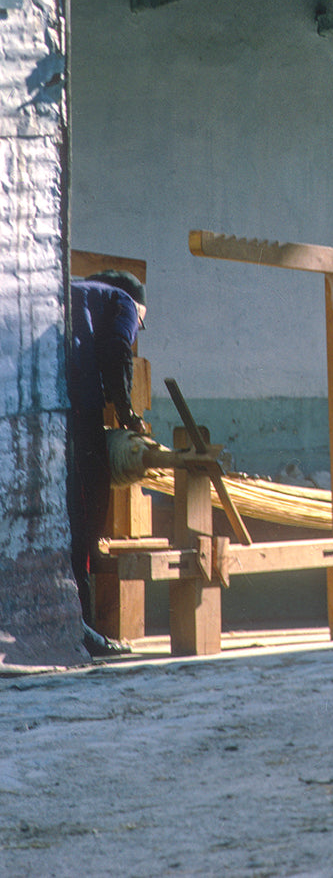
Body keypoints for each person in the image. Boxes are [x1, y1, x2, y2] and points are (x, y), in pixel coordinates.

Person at [68, 269, 150, 656]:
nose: (138, 326)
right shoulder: (124, 301)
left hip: (44, 405)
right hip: (77, 403)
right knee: (86, 511)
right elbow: (118, 348)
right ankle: (83, 632)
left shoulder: (74, 289)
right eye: (142, 322)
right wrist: (127, 414)